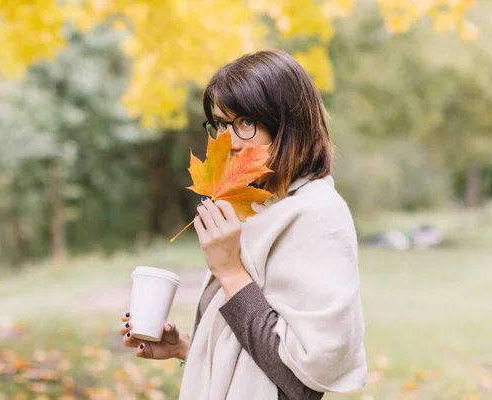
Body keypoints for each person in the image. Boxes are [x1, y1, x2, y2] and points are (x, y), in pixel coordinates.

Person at [119, 49, 367, 399]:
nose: (229, 141)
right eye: (220, 123)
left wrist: (230, 271)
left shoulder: (317, 215)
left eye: (245, 123)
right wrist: (184, 347)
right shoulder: (259, 208)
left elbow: (304, 382)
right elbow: (258, 359)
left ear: (287, 127)